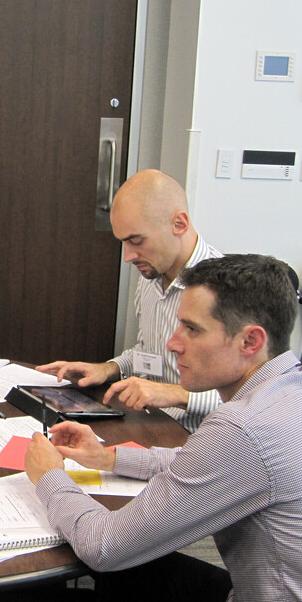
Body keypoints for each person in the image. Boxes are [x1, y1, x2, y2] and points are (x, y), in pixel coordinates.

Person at [17, 254, 302, 602]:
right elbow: (205, 463)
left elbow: (103, 546)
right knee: (142, 568)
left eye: (192, 329)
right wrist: (108, 458)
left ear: (250, 340)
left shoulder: (245, 428)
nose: (173, 343)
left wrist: (50, 477)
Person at [36, 169, 221, 432]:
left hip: (198, 438)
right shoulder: (151, 275)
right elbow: (149, 353)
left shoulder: (226, 289)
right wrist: (108, 369)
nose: (128, 256)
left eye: (136, 241)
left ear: (179, 224)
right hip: (150, 423)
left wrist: (176, 394)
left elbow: (251, 396)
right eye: (124, 242)